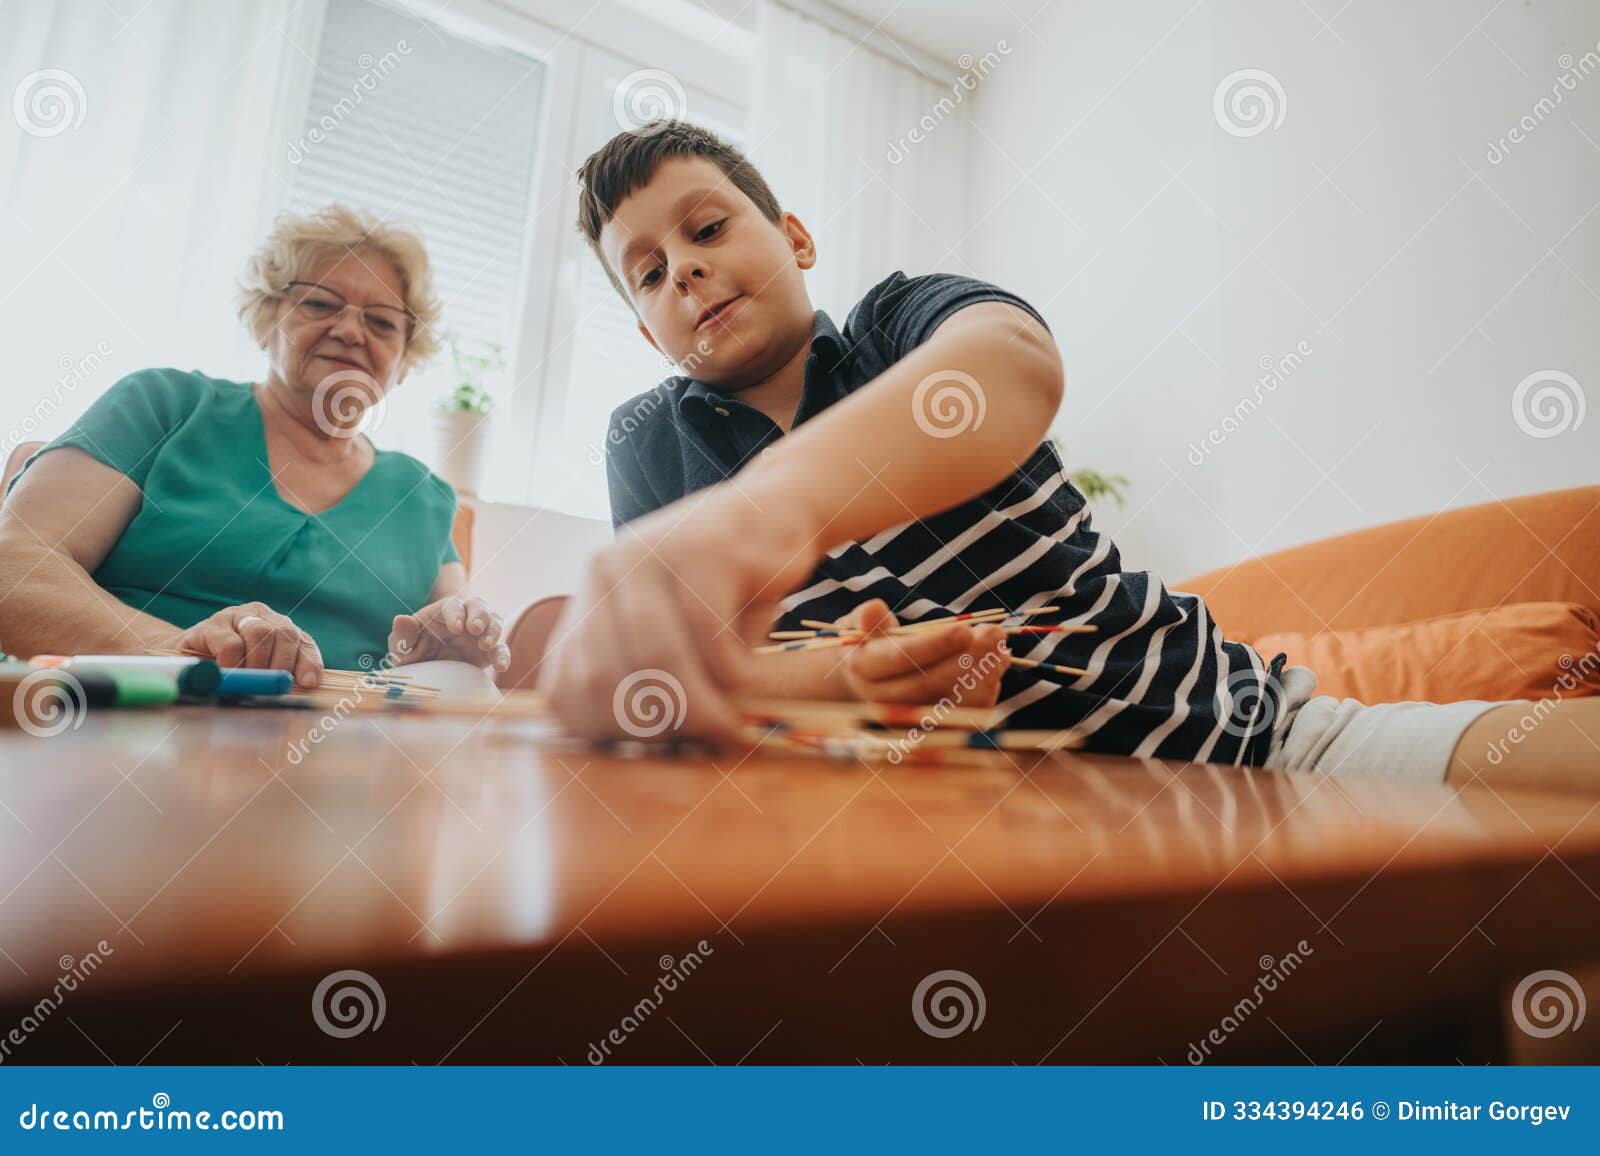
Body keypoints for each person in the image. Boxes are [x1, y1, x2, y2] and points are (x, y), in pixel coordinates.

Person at [539, 121, 1600, 793]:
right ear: (645, 332)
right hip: (950, 817)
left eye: (708, 228)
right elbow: (711, 665)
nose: (683, 269)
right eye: (646, 272)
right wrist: (844, 675)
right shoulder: (645, 442)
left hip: (1246, 743)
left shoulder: (897, 322)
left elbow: (1010, 366)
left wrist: (763, 509)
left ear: (797, 239)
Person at [0, 205, 509, 691]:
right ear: (267, 320)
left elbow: (451, 656)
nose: (351, 330)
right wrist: (179, 655)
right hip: (117, 726)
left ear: (403, 360)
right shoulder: (162, 405)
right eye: (320, 303)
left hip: (338, 762)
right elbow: (14, 569)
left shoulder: (424, 496)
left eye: (381, 322)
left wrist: (455, 647)